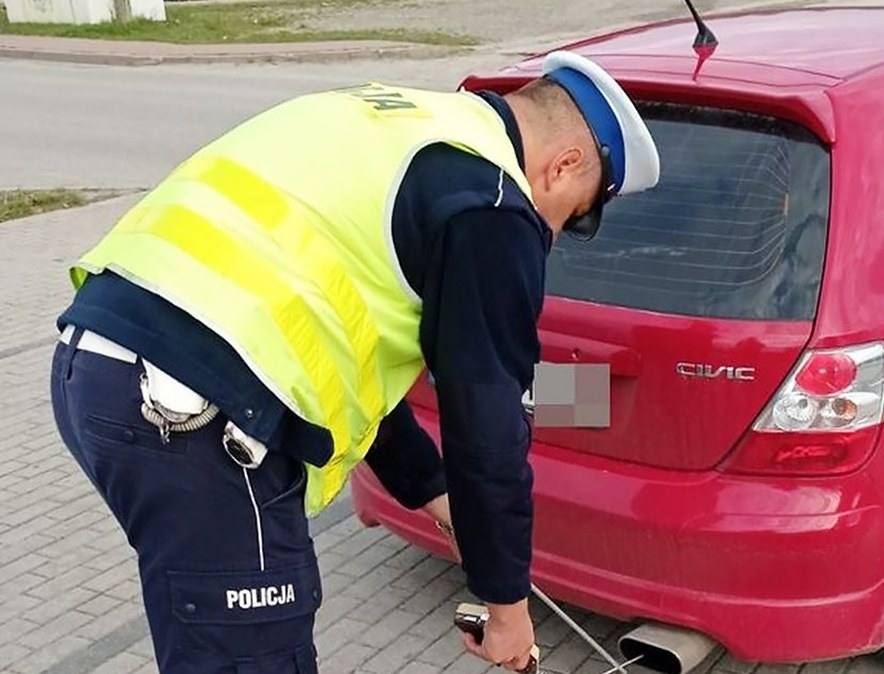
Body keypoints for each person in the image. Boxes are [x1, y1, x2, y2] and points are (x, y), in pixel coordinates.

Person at [48, 50, 660, 674]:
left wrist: (434, 496)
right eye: (576, 216)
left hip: (100, 365)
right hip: (191, 411)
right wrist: (507, 610)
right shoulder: (491, 207)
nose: (553, 235)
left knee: (214, 640)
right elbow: (485, 427)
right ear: (565, 165)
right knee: (255, 654)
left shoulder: (410, 121)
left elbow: (346, 359)